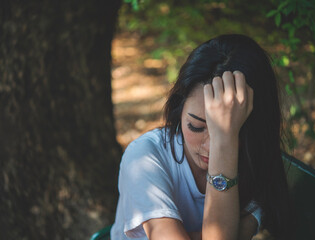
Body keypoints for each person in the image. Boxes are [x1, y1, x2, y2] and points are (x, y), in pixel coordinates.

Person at [110, 34, 292, 239]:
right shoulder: (145, 159)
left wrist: (225, 140)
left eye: (235, 131)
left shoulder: (255, 163)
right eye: (196, 126)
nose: (210, 147)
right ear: (179, 110)